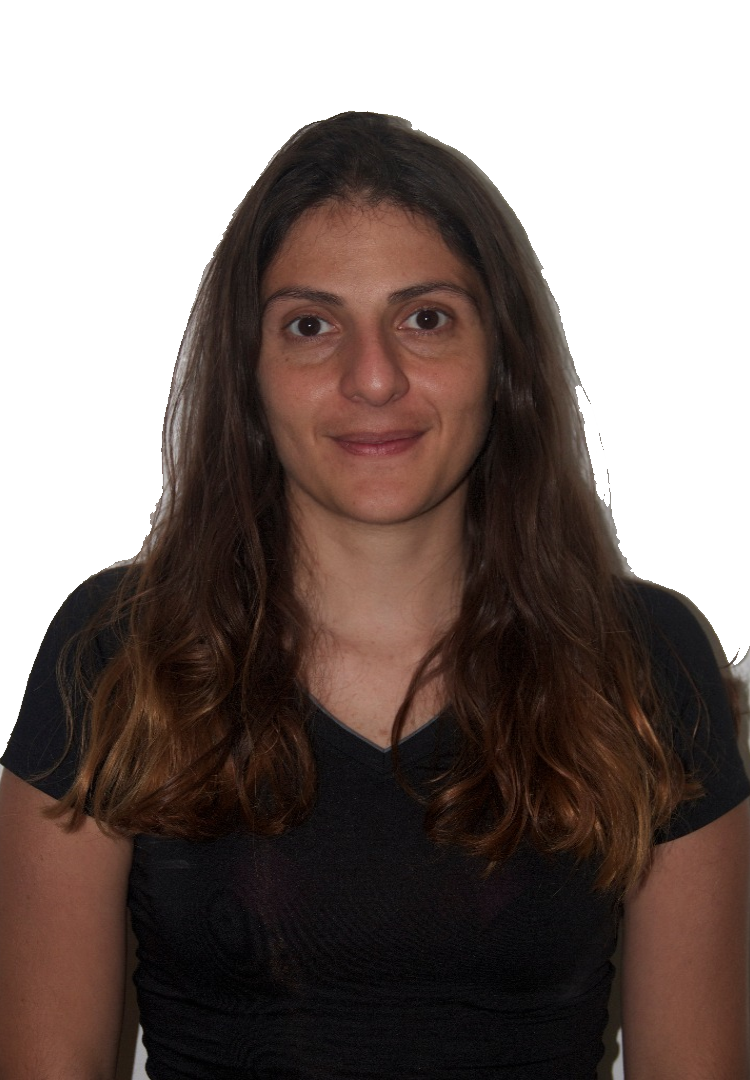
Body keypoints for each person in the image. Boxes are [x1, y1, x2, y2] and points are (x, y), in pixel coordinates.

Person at [0, 111, 748, 1080]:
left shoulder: (648, 663)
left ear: (503, 357)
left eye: (425, 318)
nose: (374, 378)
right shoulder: (115, 655)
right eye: (311, 326)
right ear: (249, 371)